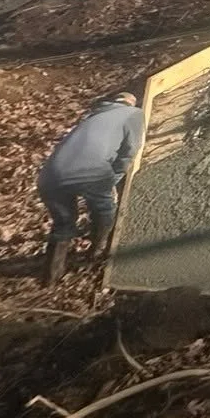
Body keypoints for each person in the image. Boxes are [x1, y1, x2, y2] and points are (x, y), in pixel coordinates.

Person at [38, 88, 144, 284]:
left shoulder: (92, 116)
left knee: (63, 224)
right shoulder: (134, 114)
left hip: (49, 175)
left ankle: (50, 278)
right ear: (131, 103)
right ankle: (95, 252)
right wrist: (114, 178)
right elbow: (130, 151)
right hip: (91, 170)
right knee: (104, 210)